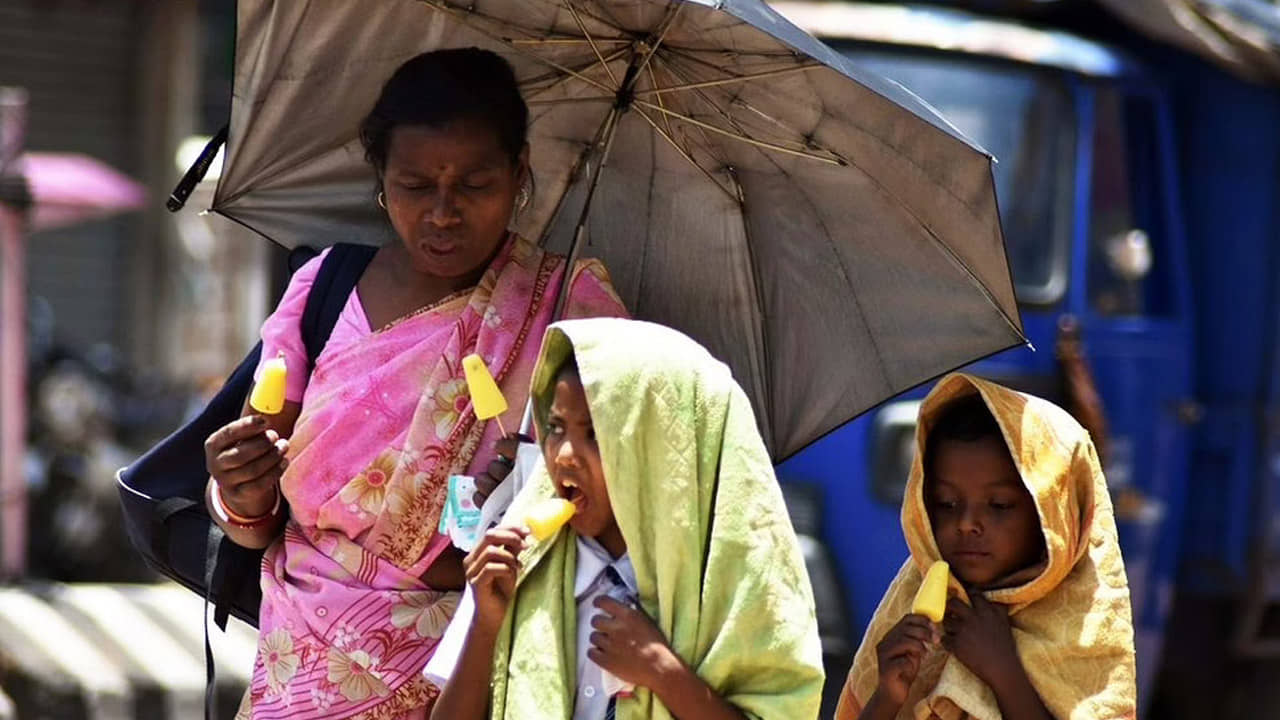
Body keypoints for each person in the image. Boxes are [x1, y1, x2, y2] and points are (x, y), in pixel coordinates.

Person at [201, 48, 627, 719]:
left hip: (478, 663)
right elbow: (258, 522)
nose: (444, 214)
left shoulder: (571, 308)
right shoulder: (324, 290)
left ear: (519, 175)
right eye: (416, 185)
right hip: (301, 668)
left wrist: (526, 492)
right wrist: (236, 490)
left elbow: (622, 502)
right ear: (381, 181)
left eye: (476, 185)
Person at [427, 318, 825, 720]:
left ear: (668, 448)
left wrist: (663, 672)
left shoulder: (737, 581)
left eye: (596, 435)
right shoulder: (518, 559)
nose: (564, 455)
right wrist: (485, 624)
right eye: (555, 427)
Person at [836, 373, 1137, 720]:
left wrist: (1003, 670)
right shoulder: (910, 604)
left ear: (1055, 515)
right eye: (947, 503)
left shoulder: (1087, 628)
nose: (965, 524)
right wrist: (888, 694)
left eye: (999, 505)